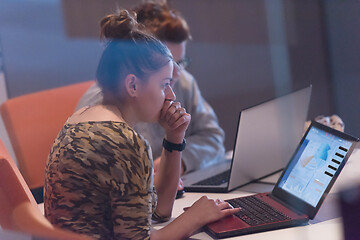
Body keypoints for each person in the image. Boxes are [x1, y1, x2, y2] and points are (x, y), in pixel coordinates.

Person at [44, 10, 239, 240]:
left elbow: (159, 211)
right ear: (133, 85)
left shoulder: (80, 118)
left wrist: (174, 139)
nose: (171, 96)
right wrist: (195, 216)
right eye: (164, 84)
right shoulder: (124, 141)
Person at [76, 1, 225, 175]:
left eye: (180, 62)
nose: (176, 74)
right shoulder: (102, 106)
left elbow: (213, 138)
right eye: (168, 64)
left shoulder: (184, 81)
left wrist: (177, 163)